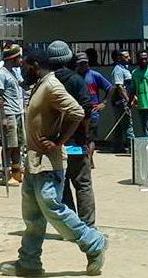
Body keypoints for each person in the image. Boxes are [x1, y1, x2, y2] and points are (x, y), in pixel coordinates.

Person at [1, 48, 108, 277]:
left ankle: (93, 243)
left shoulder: (51, 85)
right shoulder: (40, 84)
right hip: (33, 163)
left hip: (48, 163)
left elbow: (77, 112)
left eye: (24, 66)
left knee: (51, 206)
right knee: (33, 217)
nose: (21, 70)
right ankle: (29, 263)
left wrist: (59, 141)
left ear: (35, 64)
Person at [48, 41, 98, 228]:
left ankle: (71, 224)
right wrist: (84, 136)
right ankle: (88, 225)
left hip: (54, 144)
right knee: (83, 184)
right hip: (76, 141)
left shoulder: (47, 82)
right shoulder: (77, 80)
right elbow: (86, 110)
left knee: (63, 184)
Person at [0, 44, 27, 186]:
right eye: (18, 57)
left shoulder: (15, 72)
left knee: (18, 144)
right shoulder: (1, 73)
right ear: (12, 58)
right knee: (9, 145)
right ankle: (6, 173)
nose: (20, 60)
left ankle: (16, 171)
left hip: (19, 111)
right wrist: (2, 117)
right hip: (8, 113)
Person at [75, 53, 112, 169]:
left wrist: (103, 103)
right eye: (81, 63)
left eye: (85, 63)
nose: (83, 65)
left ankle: (89, 159)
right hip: (78, 110)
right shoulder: (74, 77)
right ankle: (83, 158)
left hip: (93, 110)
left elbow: (110, 88)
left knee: (90, 137)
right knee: (80, 136)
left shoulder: (95, 75)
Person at [130, 49, 148, 137]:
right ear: (138, 59)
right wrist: (129, 102)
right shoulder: (135, 73)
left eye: (145, 59)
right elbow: (133, 89)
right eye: (141, 59)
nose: (144, 61)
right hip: (141, 105)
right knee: (144, 127)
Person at [110, 50, 135, 152]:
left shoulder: (125, 69)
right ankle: (132, 147)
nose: (129, 58)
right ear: (119, 58)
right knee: (128, 124)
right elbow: (120, 87)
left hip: (125, 99)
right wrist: (128, 100)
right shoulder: (118, 70)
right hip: (121, 101)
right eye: (126, 57)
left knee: (120, 125)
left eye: (128, 56)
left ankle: (116, 147)